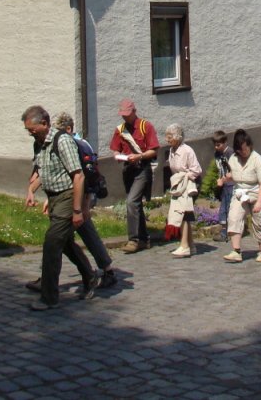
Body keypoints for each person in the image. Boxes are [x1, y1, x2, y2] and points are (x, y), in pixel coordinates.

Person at [25, 113, 116, 292]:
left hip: (78, 198)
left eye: (58, 130)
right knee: (62, 239)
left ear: (68, 129)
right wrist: (38, 192)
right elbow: (51, 171)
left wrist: (84, 206)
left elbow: (86, 176)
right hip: (63, 199)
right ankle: (92, 274)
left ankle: (106, 272)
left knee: (65, 237)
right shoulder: (48, 143)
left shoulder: (78, 145)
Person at [23, 106, 98, 311]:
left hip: (67, 196)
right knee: (64, 243)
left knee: (52, 243)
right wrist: (31, 190)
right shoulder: (39, 144)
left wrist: (77, 210)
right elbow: (42, 171)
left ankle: (49, 297)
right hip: (54, 197)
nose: (30, 132)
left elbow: (78, 176)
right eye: (27, 130)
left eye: (32, 129)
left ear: (44, 123)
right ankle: (90, 276)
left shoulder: (62, 141)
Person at [109, 99, 159, 253]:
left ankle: (134, 240)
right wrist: (117, 155)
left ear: (134, 112)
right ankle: (144, 239)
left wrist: (139, 156)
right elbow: (115, 148)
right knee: (136, 204)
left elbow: (154, 150)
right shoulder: (120, 130)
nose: (125, 117)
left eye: (127, 114)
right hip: (128, 170)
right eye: (123, 114)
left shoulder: (145, 126)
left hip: (142, 168)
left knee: (131, 202)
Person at [223, 129, 261, 263]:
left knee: (259, 223)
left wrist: (259, 202)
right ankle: (236, 251)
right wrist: (228, 178)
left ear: (249, 145)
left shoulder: (258, 160)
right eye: (240, 150)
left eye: (245, 149)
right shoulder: (233, 159)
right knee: (234, 217)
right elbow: (234, 176)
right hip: (240, 192)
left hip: (256, 192)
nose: (243, 152)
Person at [165, 124, 203, 258]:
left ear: (177, 137)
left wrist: (185, 178)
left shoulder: (187, 150)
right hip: (179, 185)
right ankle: (190, 245)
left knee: (183, 213)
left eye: (170, 137)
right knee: (183, 213)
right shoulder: (171, 150)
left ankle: (184, 246)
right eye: (167, 136)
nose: (167, 139)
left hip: (190, 185)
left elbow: (197, 170)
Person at [212, 131, 234, 242]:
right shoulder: (217, 154)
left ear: (225, 142)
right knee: (223, 209)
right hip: (223, 185)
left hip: (231, 184)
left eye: (218, 145)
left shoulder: (230, 153)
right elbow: (220, 168)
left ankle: (227, 233)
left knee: (228, 209)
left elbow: (234, 171)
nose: (216, 147)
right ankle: (225, 232)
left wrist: (225, 179)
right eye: (215, 145)